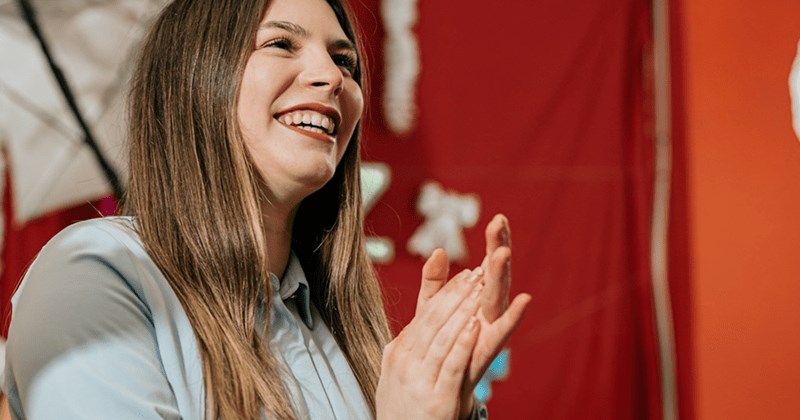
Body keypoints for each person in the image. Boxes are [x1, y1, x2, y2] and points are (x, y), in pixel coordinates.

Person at [2, 0, 531, 418]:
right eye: (281, 43)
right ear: (196, 78)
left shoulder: (344, 332)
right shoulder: (95, 275)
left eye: (344, 60)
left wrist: (447, 407)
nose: (332, 78)